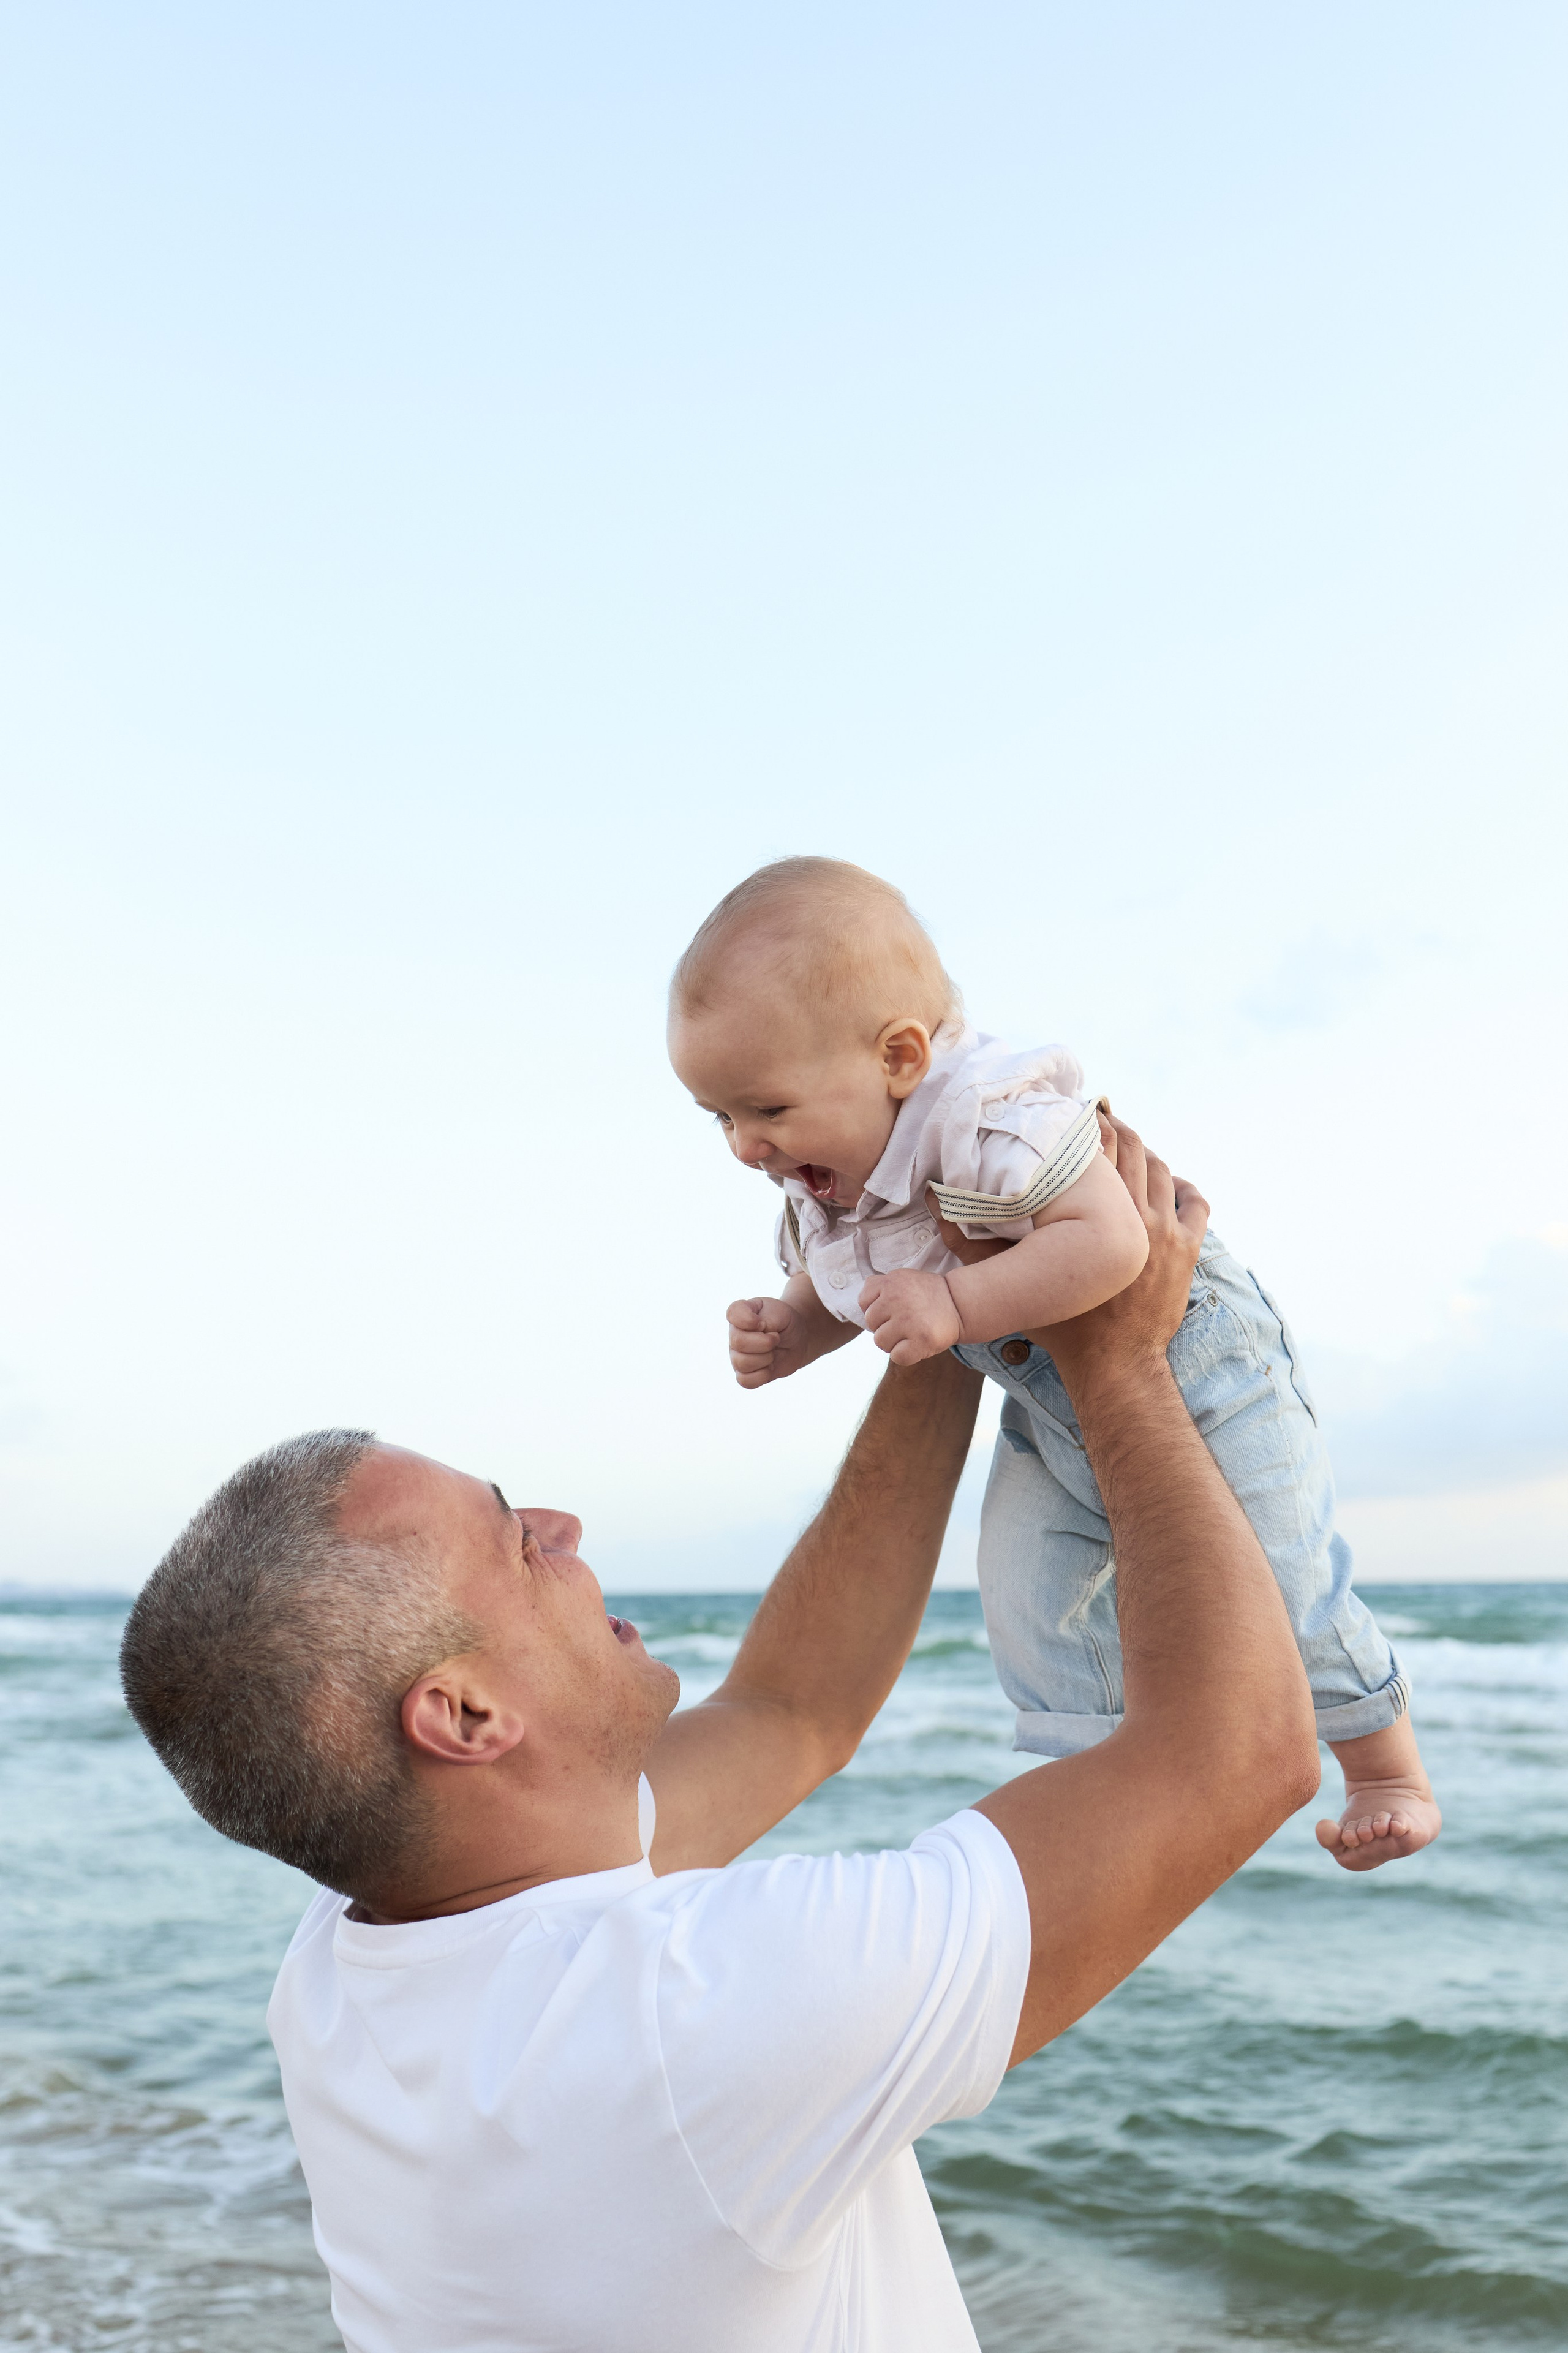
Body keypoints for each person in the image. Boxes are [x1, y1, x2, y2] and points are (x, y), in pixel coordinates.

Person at [121, 1125, 1321, 2353]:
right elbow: (1241, 1756)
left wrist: (943, 1307)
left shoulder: (354, 1958)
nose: (560, 1521)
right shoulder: (690, 2026)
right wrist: (1117, 1366)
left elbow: (793, 1709)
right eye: (510, 1536)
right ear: (466, 1716)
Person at [668, 856, 1440, 1871]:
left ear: (900, 1054)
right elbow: (841, 1273)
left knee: (1278, 1563)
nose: (743, 1146)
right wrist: (795, 1330)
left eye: (764, 1109)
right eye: (720, 1117)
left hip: (1193, 1345)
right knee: (1030, 1586)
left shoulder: (989, 1115)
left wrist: (951, 1299)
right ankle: (1106, 1765)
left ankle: (1384, 1764)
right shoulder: (831, 1166)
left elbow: (1116, 1247)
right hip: (1037, 1378)